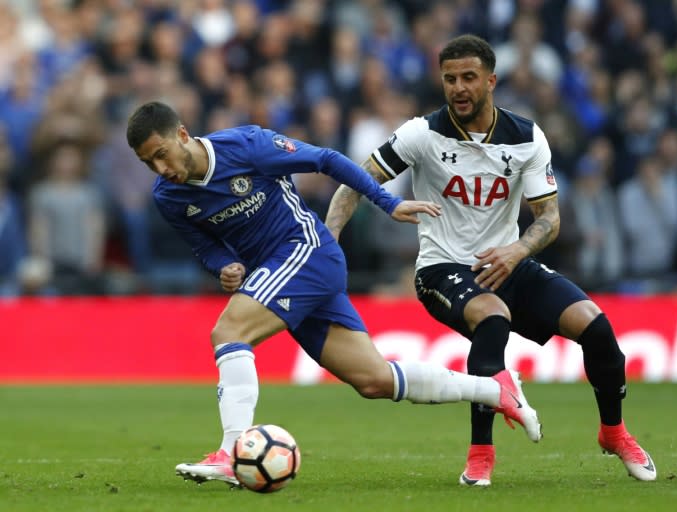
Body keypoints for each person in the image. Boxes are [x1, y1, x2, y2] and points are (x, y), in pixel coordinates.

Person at [125, 100, 541, 487]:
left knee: (228, 332)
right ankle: (495, 390)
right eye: (148, 163)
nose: (160, 168)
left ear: (182, 135)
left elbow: (325, 159)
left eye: (162, 153)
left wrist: (384, 200)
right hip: (285, 275)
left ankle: (231, 453)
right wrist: (223, 266)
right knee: (374, 379)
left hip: (305, 250)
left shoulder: (247, 146)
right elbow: (204, 245)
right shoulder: (169, 197)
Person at [325, 34, 656, 486]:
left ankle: (613, 432)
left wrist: (518, 249)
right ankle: (481, 453)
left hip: (508, 262)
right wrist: (330, 237)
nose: (458, 88)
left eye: (468, 78)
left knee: (596, 327)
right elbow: (354, 181)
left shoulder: (526, 138)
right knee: (493, 318)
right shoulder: (422, 134)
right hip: (441, 269)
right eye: (449, 79)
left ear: (491, 81)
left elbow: (549, 218)